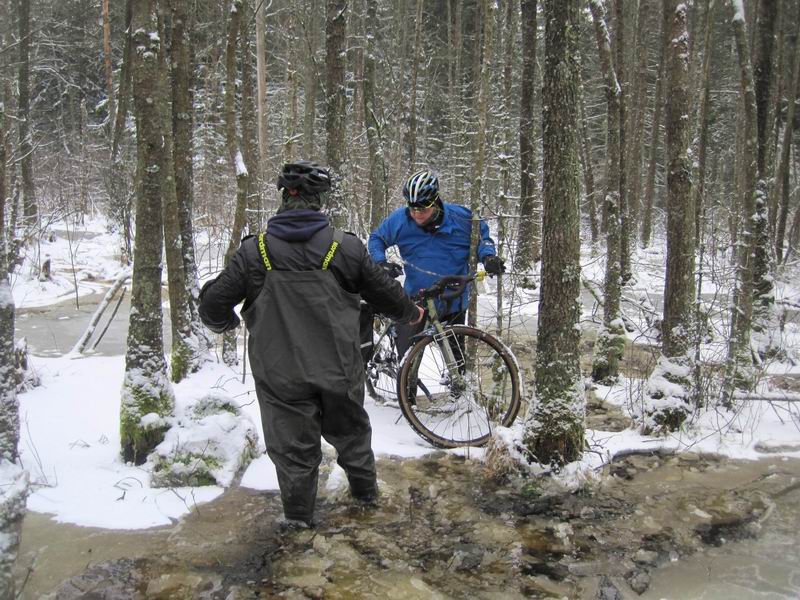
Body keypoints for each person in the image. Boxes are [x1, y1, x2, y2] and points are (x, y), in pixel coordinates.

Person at [199, 161, 423, 528]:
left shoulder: (254, 253)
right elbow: (389, 297)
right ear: (320, 202)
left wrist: (229, 322)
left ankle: (298, 529)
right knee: (352, 438)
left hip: (279, 376)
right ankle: (368, 508)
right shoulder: (346, 248)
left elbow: (211, 306)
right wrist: (409, 313)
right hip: (339, 370)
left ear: (283, 199)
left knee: (293, 455)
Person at [367, 169, 504, 358]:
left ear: (435, 201)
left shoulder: (461, 218)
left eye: (422, 208)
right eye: (412, 208)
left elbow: (482, 238)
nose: (417, 214)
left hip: (452, 301)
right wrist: (381, 262)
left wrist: (488, 257)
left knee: (456, 362)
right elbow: (376, 238)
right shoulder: (400, 219)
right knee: (407, 361)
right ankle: (405, 386)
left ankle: (458, 385)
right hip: (416, 301)